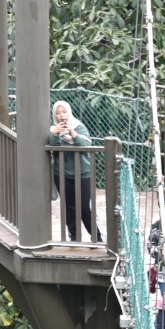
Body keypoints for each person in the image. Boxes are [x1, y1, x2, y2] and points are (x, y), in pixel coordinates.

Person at [48, 100, 99, 241]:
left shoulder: (78, 126)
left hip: (83, 173)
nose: (61, 115)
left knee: (84, 207)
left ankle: (97, 237)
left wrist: (72, 132)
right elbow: (52, 145)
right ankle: (75, 238)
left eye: (64, 112)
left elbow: (86, 144)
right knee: (70, 208)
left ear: (69, 113)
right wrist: (56, 134)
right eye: (58, 113)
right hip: (62, 173)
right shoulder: (53, 129)